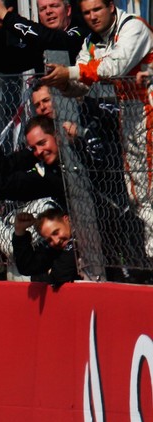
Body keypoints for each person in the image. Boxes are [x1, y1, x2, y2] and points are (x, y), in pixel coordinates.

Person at [39, 0, 153, 259]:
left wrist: (68, 72)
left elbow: (114, 67)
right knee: (138, 192)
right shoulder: (91, 41)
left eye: (97, 10)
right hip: (132, 116)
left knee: (150, 190)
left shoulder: (133, 28)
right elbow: (80, 84)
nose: (92, 16)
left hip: (150, 110)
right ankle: (150, 258)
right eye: (87, 12)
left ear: (111, 7)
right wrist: (61, 83)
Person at [0, 0, 85, 74]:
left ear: (68, 10)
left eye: (54, 6)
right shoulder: (38, 42)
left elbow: (55, 41)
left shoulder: (81, 31)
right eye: (43, 9)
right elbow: (2, 63)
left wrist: (7, 17)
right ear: (39, 16)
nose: (48, 11)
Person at [12, 207, 81, 286]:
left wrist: (48, 272)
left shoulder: (84, 237)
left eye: (56, 232)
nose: (56, 241)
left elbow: (60, 274)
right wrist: (20, 231)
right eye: (49, 240)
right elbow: (27, 267)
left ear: (66, 219)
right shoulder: (52, 248)